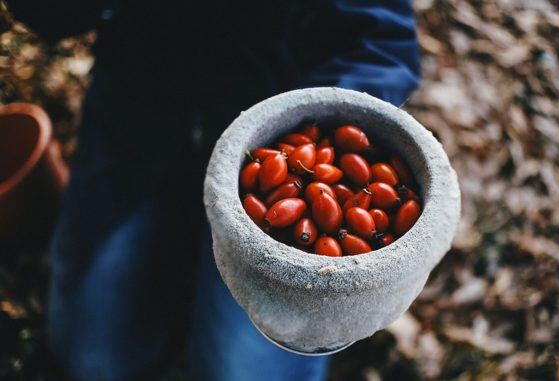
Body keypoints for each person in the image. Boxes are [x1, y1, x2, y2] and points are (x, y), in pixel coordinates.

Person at [6, 0, 420, 380]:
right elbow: (47, 15)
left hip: (274, 133)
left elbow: (382, 41)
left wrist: (315, 129)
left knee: (247, 370)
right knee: (93, 356)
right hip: (139, 127)